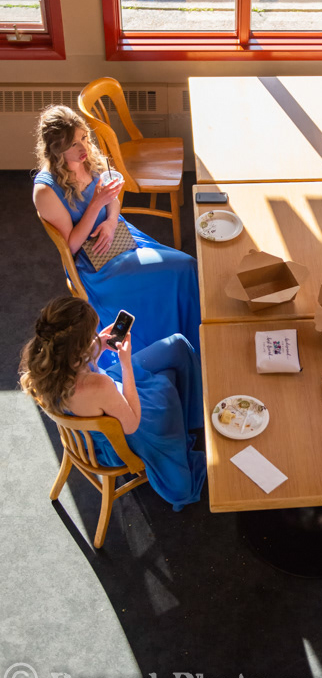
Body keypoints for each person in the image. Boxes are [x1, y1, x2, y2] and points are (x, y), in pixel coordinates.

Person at [32, 105, 201, 364]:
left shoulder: (88, 159)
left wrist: (110, 221)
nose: (84, 148)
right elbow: (72, 246)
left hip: (117, 233)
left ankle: (192, 338)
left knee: (185, 267)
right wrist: (97, 204)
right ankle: (180, 344)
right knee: (185, 267)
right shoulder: (46, 191)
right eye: (73, 144)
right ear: (56, 150)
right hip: (95, 261)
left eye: (84, 138)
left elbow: (112, 199)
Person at [19, 297, 206, 511]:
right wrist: (125, 364)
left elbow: (77, 377)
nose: (94, 338)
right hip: (116, 434)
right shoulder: (98, 385)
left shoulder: (41, 359)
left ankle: (193, 414)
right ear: (76, 347)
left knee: (176, 345)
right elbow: (132, 424)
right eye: (90, 336)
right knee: (166, 386)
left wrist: (98, 345)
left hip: (101, 405)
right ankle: (191, 419)